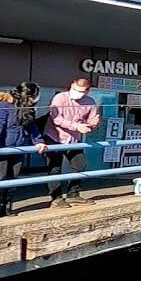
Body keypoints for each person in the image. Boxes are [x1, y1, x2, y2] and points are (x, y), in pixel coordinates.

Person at [0, 83, 48, 218]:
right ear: (28, 95)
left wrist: (39, 142)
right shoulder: (4, 105)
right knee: (0, 179)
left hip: (19, 147)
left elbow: (32, 126)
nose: (37, 99)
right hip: (2, 148)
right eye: (35, 96)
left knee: (13, 178)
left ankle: (7, 207)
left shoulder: (27, 108)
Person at [44, 78, 100, 208]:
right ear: (71, 86)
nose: (77, 93)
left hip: (74, 140)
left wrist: (91, 125)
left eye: (80, 91)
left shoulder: (90, 102)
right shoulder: (60, 98)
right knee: (54, 168)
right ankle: (56, 198)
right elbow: (56, 118)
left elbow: (94, 117)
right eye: (75, 89)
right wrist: (76, 126)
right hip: (55, 137)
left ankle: (73, 194)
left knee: (80, 165)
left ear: (87, 91)